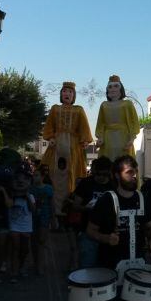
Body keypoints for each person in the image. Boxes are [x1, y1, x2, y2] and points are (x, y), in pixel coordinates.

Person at [87, 156, 151, 301]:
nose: (134, 176)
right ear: (117, 176)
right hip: (112, 273)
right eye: (129, 173)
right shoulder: (106, 201)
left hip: (138, 273)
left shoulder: (142, 199)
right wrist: (106, 238)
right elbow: (90, 231)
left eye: (135, 172)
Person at [42, 81, 93, 221]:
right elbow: (48, 126)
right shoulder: (54, 109)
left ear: (74, 95)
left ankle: (68, 213)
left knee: (71, 177)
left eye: (70, 92)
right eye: (64, 91)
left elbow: (84, 128)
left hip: (73, 148)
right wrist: (51, 137)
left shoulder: (79, 110)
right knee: (54, 176)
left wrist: (84, 141)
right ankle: (54, 212)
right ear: (61, 94)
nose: (67, 94)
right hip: (56, 147)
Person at [72, 156, 113, 269]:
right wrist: (87, 208)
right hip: (87, 232)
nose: (102, 178)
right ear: (95, 171)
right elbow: (75, 206)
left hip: (107, 233)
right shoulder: (86, 183)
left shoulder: (113, 185)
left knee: (105, 269)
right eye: (99, 174)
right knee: (87, 267)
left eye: (105, 175)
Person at [95, 75, 140, 161]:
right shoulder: (104, 105)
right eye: (110, 87)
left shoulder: (128, 104)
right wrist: (100, 137)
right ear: (107, 90)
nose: (113, 89)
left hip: (123, 139)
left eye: (116, 86)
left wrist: (132, 139)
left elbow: (134, 121)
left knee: (123, 164)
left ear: (121, 89)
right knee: (108, 163)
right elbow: (100, 124)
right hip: (108, 141)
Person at [8, 164, 35, 283]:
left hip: (26, 226)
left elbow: (33, 210)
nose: (20, 181)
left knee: (24, 249)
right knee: (15, 247)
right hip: (14, 225)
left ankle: (21, 266)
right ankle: (14, 272)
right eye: (18, 178)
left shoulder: (31, 196)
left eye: (24, 179)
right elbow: (8, 205)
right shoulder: (11, 195)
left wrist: (27, 196)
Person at [30, 168, 54, 275]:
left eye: (37, 175)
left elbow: (52, 204)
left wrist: (53, 218)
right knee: (34, 242)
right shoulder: (30, 189)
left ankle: (40, 266)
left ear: (42, 177)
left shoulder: (48, 188)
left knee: (41, 241)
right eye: (34, 175)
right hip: (33, 217)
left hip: (45, 216)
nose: (35, 177)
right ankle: (36, 263)